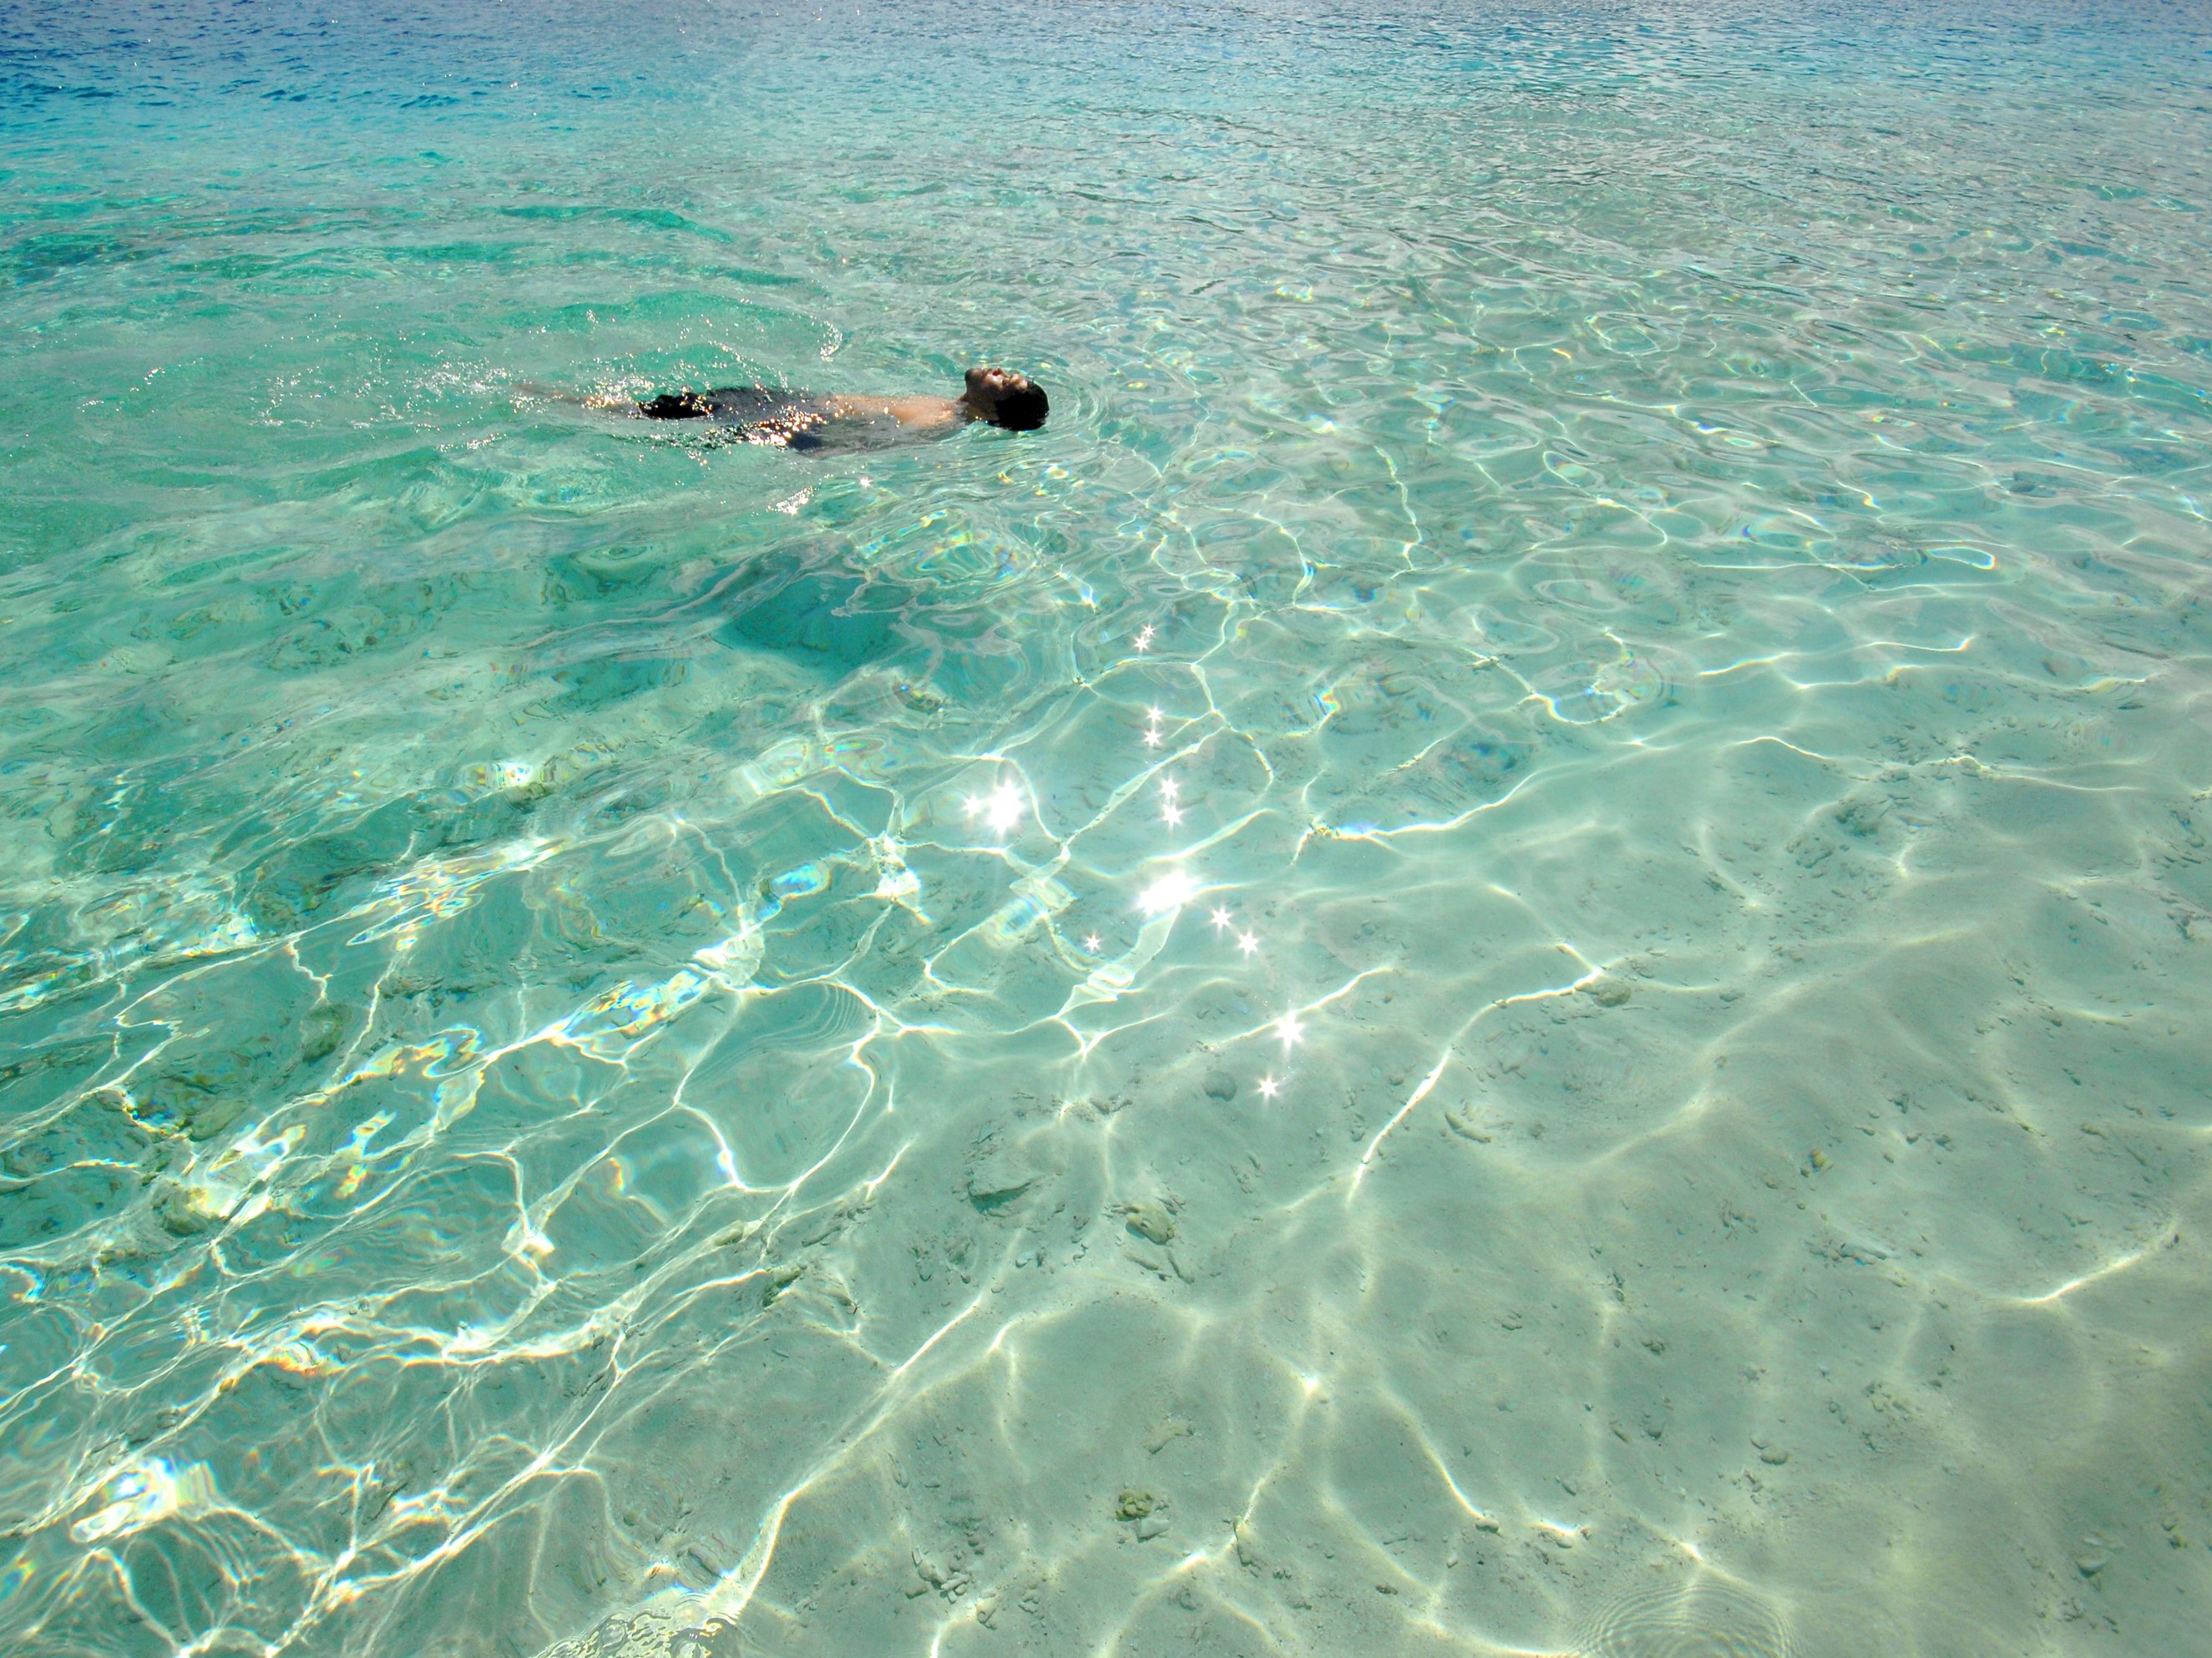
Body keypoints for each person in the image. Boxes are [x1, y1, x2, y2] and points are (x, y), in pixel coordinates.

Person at [556, 365, 1049, 452]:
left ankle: (558, 405)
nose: (1000, 371)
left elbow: (858, 444)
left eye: (1007, 383)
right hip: (788, 408)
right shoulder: (948, 406)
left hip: (784, 421)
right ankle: (573, 404)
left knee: (651, 415)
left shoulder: (942, 422)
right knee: (661, 408)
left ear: (998, 411)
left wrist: (776, 431)